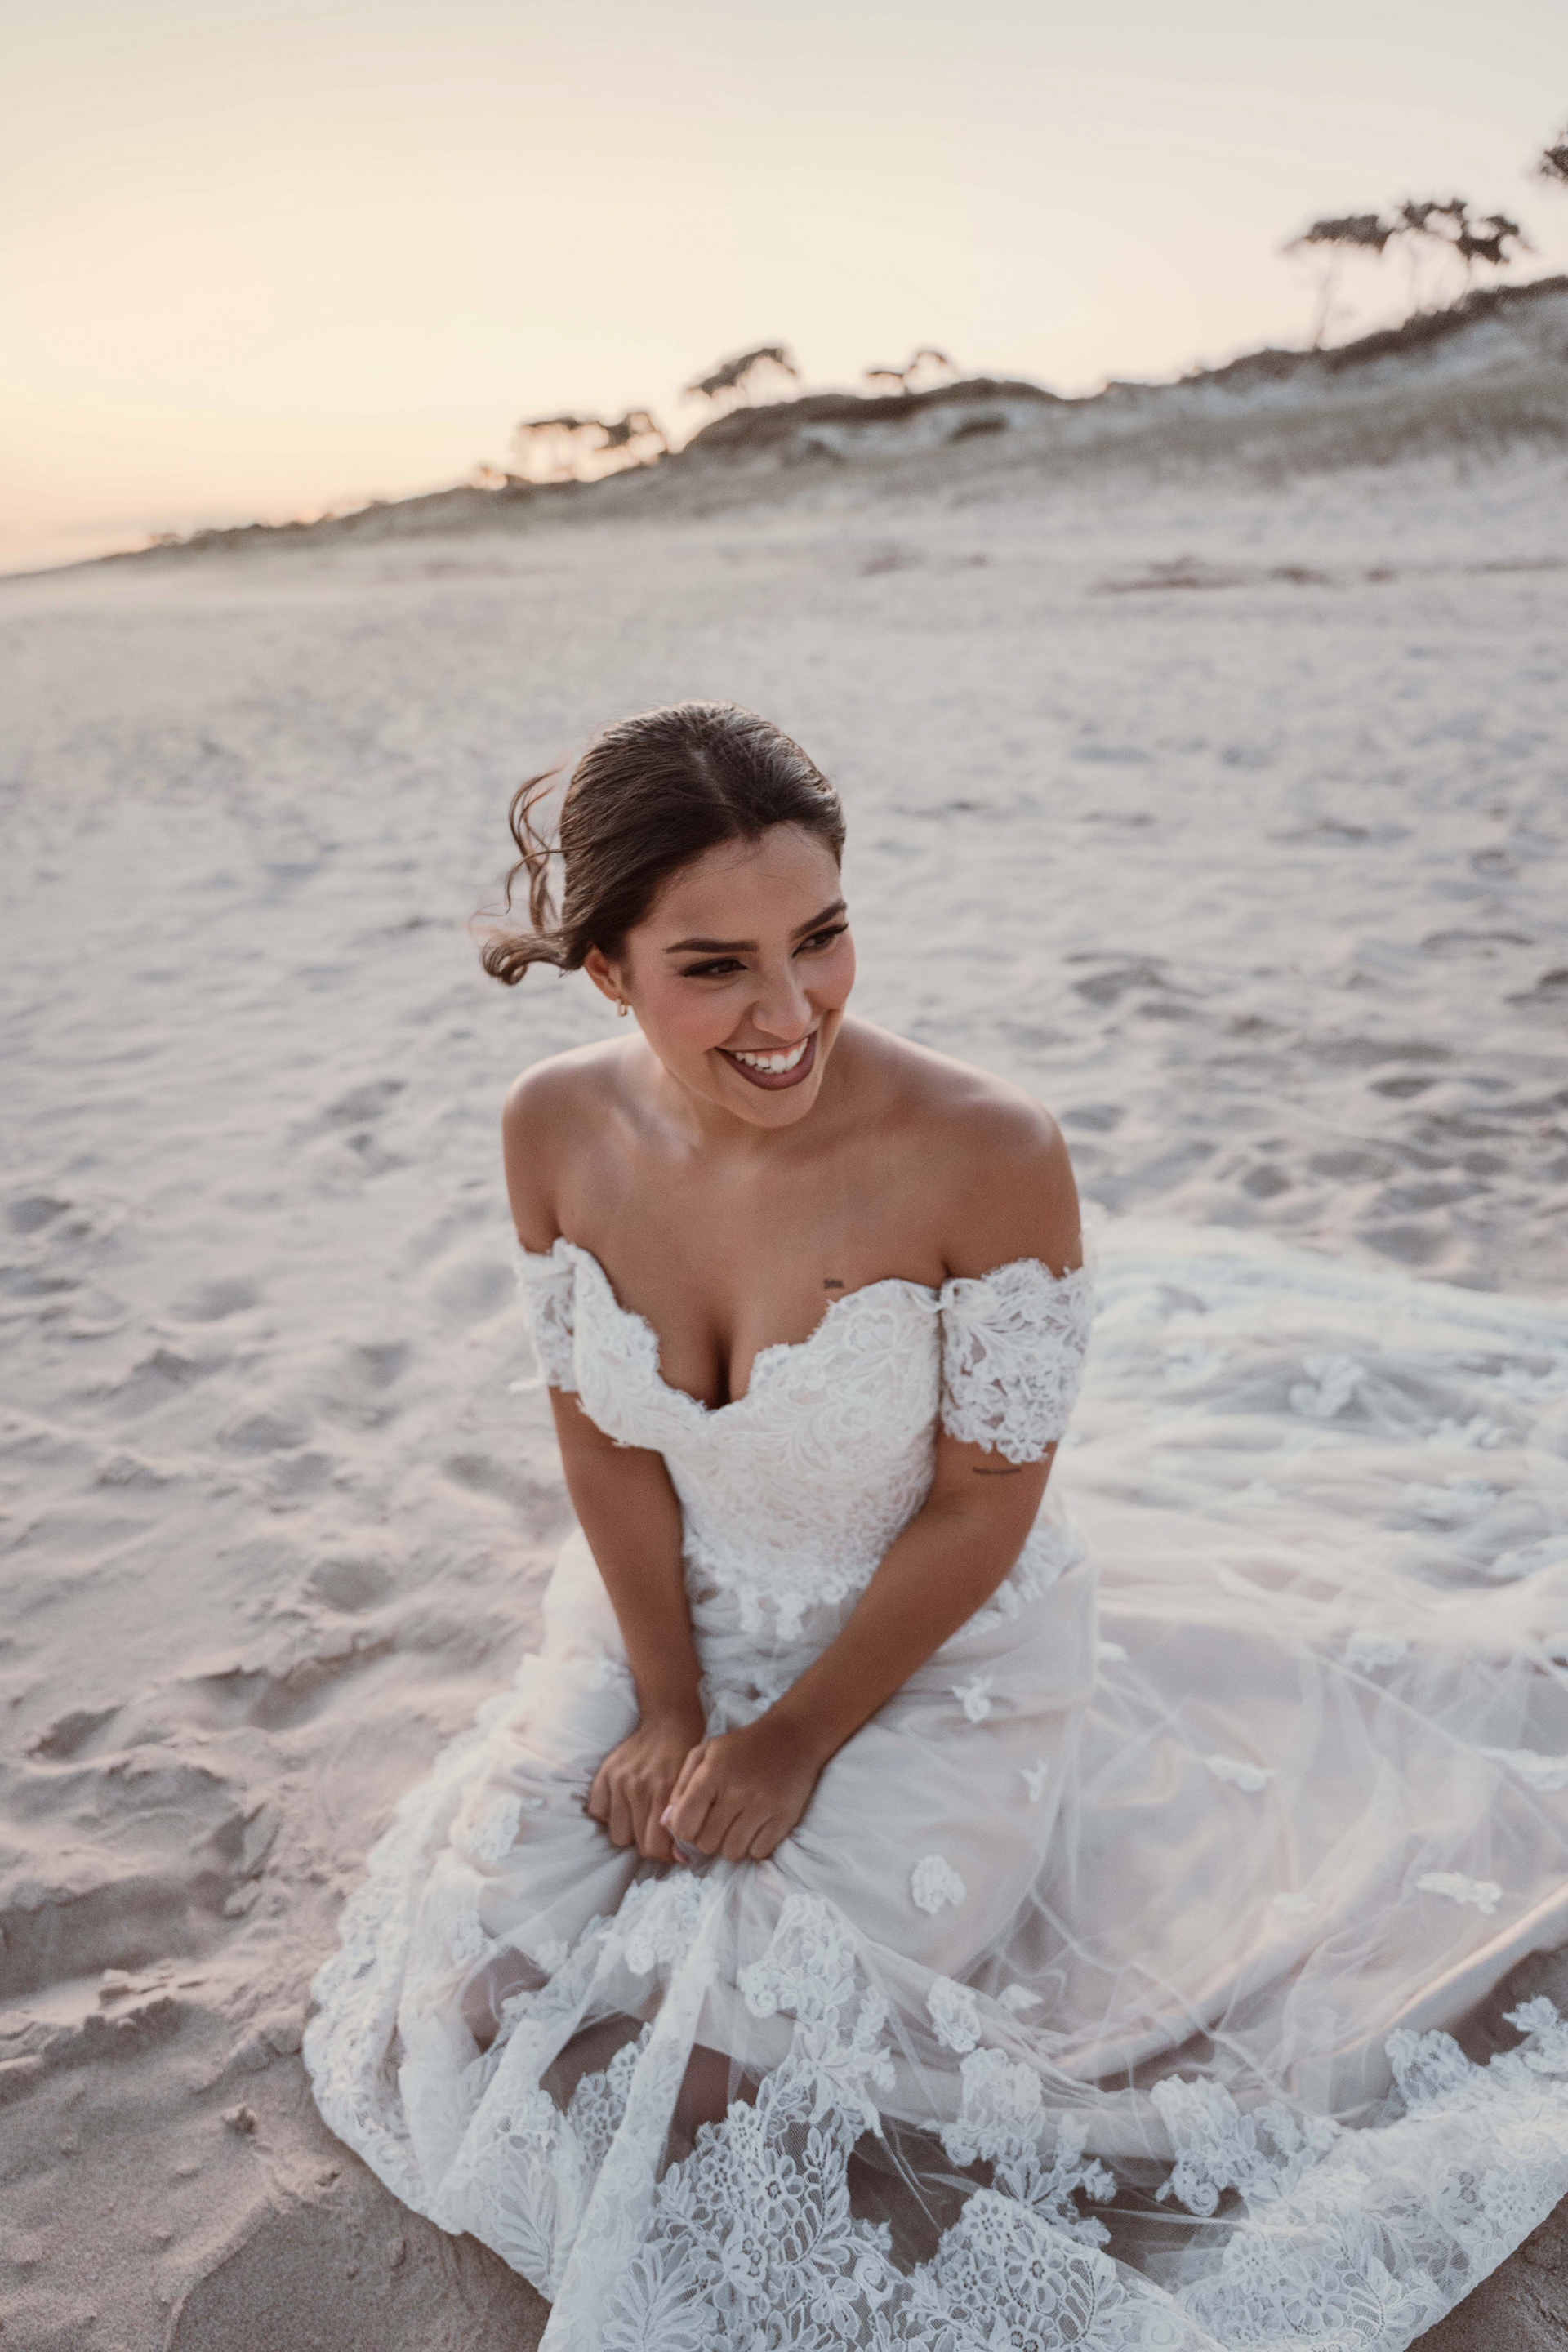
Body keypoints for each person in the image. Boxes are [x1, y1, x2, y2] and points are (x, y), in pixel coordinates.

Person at [305, 702, 1568, 2351]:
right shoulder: (553, 1127)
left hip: (938, 1636)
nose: (790, 1012)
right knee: (481, 2013)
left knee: (706, 2081)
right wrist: (675, 1702)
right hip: (664, 1607)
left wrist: (791, 1743)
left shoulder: (985, 1150)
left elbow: (988, 1497)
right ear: (608, 970)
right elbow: (603, 1442)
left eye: (820, 938)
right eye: (717, 967)